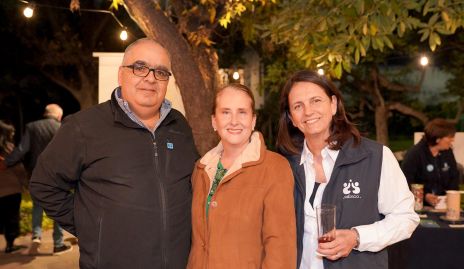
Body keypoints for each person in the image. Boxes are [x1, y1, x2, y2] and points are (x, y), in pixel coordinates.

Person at [29, 38, 199, 269]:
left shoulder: (179, 125)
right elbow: (44, 184)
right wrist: (90, 226)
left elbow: (193, 185)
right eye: (140, 68)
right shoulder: (83, 127)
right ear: (121, 74)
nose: (150, 78)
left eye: (161, 72)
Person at [276, 70, 419, 269]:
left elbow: (405, 218)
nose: (308, 111)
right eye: (298, 106)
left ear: (333, 104)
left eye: (316, 100)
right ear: (291, 117)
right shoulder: (284, 165)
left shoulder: (375, 157)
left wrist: (357, 237)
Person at [187, 84, 296, 268]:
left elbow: (280, 247)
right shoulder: (201, 169)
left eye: (242, 112)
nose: (234, 121)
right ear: (214, 121)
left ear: (253, 120)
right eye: (226, 112)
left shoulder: (275, 168)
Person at [4, 104, 71, 254]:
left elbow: (22, 150)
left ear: (45, 114)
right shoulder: (63, 128)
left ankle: (36, 236)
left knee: (38, 205)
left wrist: (5, 162)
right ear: (59, 116)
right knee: (59, 207)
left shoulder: (32, 127)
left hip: (37, 173)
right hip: (58, 175)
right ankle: (58, 244)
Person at [401, 118, 460, 207]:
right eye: (449, 137)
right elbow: (405, 182)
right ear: (438, 139)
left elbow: (454, 176)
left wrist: (451, 195)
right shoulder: (415, 154)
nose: (452, 140)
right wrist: (425, 196)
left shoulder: (448, 152)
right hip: (419, 206)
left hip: (443, 205)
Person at [0, 121, 27, 253]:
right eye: (12, 132)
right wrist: (25, 183)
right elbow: (19, 168)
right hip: (11, 188)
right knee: (11, 216)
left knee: (3, 216)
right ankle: (10, 245)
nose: (13, 134)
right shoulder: (9, 148)